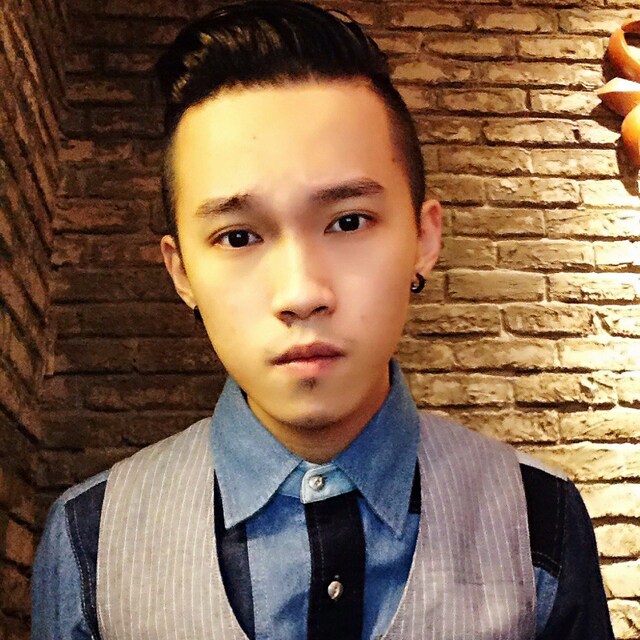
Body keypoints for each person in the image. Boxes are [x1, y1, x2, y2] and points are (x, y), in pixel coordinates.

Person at [32, 2, 614, 638]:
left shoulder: (541, 522)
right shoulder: (89, 539)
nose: (302, 293)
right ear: (181, 271)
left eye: (348, 222)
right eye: (238, 236)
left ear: (423, 238)